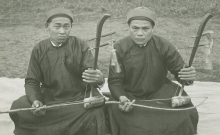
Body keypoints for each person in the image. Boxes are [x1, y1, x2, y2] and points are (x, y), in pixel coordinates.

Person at [9, 7, 107, 135]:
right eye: (57, 26)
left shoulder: (80, 45)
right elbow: (32, 81)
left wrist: (99, 78)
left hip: (77, 100)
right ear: (47, 26)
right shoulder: (39, 49)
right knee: (18, 106)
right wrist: (35, 101)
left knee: (96, 112)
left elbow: (92, 74)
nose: (62, 31)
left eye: (66, 27)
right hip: (50, 101)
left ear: (71, 27)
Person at [107, 7, 198, 135]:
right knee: (122, 116)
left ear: (152, 29)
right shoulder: (119, 48)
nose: (140, 33)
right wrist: (122, 97)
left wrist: (188, 76)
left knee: (185, 113)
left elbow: (181, 73)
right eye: (135, 28)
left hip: (160, 91)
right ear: (129, 28)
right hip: (130, 94)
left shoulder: (163, 45)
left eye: (145, 28)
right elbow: (115, 81)